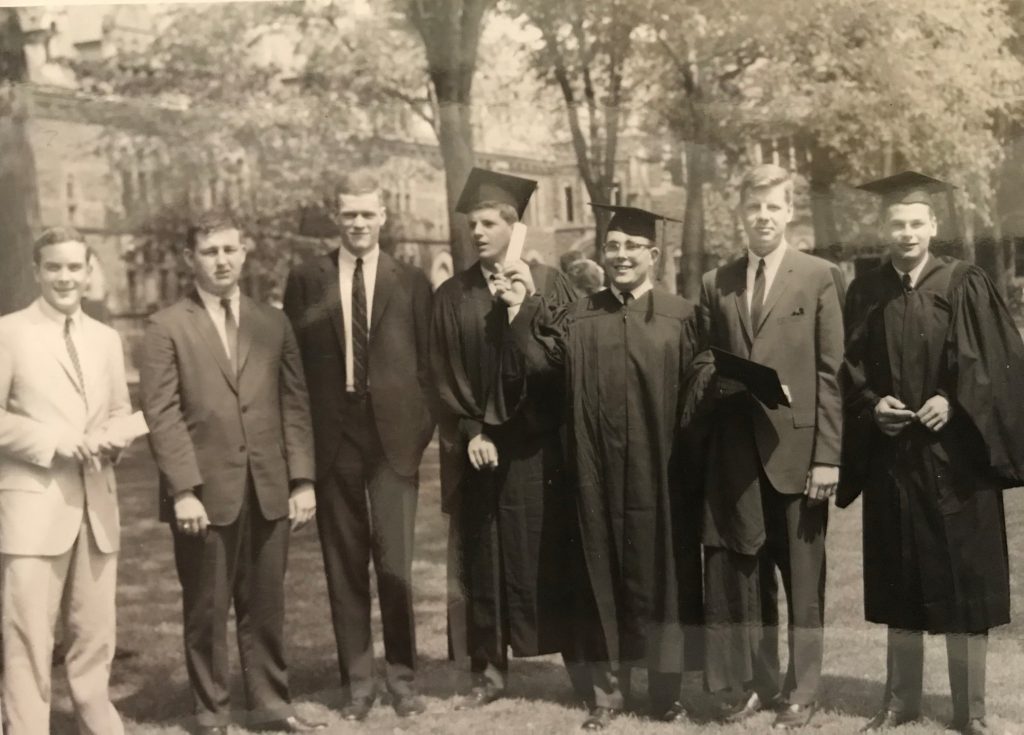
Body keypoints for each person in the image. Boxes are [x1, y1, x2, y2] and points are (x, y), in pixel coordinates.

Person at [498, 204, 704, 731]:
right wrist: (521, 311)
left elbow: (697, 393)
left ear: (653, 255)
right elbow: (543, 371)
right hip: (594, 476)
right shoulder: (581, 315)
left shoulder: (682, 316)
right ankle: (607, 697)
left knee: (663, 575)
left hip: (660, 478)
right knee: (598, 572)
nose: (620, 256)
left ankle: (664, 695)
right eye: (612, 247)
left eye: (632, 247)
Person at [839, 171, 1024, 735]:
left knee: (965, 584)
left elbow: (996, 363)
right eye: (896, 224)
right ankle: (900, 704)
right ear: (883, 228)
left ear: (933, 225)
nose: (906, 233)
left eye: (916, 223)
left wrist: (951, 398)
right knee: (901, 579)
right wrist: (873, 406)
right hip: (896, 459)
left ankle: (971, 711)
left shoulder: (965, 281)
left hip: (957, 461)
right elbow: (849, 367)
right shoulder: (865, 288)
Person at [140, 214, 324, 735]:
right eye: (209, 252)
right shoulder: (166, 326)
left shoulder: (273, 322)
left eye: (229, 250)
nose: (221, 261)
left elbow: (295, 403)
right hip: (204, 495)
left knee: (267, 605)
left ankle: (271, 705)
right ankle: (212, 713)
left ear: (244, 254)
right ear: (189, 261)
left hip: (268, 487)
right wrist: (184, 491)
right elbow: (162, 414)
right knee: (207, 609)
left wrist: (303, 480)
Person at [282, 173, 435, 721]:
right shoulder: (306, 279)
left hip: (394, 440)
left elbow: (429, 367)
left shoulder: (412, 281)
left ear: (383, 216)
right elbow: (293, 367)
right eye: (349, 214)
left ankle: (403, 677)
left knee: (395, 562)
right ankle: (358, 683)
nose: (359, 223)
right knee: (344, 564)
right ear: (337, 216)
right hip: (334, 437)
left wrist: (416, 437)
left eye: (368, 214)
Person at [697, 163, 844, 729]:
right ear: (741, 212)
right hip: (738, 457)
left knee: (804, 583)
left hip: (800, 458)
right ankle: (761, 682)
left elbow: (832, 373)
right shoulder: (718, 281)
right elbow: (706, 361)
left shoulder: (819, 276)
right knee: (749, 577)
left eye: (773, 206)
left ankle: (803, 691)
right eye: (753, 206)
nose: (762, 216)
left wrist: (828, 456)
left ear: (789, 212)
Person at [430, 167, 578, 708]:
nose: (477, 232)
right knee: (483, 560)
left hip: (539, 449)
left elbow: (564, 363)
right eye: (472, 224)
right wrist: (472, 430)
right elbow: (442, 375)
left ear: (513, 225)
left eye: (488, 223)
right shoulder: (452, 295)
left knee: (550, 553)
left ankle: (579, 667)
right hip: (480, 453)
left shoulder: (550, 281)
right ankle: (488, 674)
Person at [0, 227, 137, 735]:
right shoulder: (8, 332)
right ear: (37, 272)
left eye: (74, 267)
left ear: (88, 271)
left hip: (97, 506)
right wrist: (53, 440)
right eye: (54, 267)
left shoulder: (105, 338)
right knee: (28, 637)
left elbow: (120, 410)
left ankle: (95, 719)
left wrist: (114, 438)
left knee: (95, 634)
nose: (65, 277)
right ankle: (26, 727)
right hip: (34, 508)